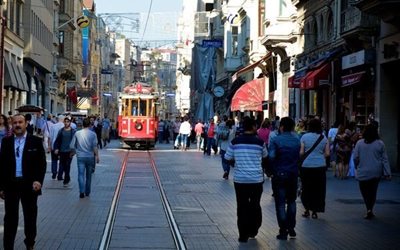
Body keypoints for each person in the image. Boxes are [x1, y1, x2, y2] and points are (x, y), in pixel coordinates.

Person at [0, 114, 46, 250]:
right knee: (10, 219)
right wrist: (1, 187)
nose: (17, 125)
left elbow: (41, 163)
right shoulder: (6, 142)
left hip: (29, 185)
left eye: (20, 122)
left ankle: (30, 242)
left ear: (26, 124)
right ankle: (8, 246)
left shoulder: (36, 141)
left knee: (30, 217)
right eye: (15, 123)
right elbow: (1, 165)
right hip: (11, 185)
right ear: (12, 125)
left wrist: (38, 180)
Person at [224, 117, 268, 243]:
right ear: (254, 127)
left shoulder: (235, 142)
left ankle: (243, 235)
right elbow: (266, 157)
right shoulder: (260, 142)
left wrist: (236, 162)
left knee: (242, 207)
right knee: (255, 205)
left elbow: (227, 158)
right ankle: (253, 230)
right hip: (256, 180)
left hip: (240, 180)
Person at [268, 117, 301, 240]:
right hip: (293, 174)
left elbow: (271, 157)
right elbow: (300, 156)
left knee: (281, 204)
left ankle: (283, 230)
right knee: (292, 201)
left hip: (280, 174)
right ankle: (291, 227)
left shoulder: (276, 140)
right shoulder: (297, 140)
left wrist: (272, 170)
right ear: (293, 127)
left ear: (281, 127)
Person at [353, 124, 391, 219]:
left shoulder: (359, 143)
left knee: (364, 191)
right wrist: (387, 173)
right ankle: (370, 208)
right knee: (373, 191)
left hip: (363, 171)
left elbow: (355, 158)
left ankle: (368, 208)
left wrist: (357, 166)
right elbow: (384, 159)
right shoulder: (380, 143)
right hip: (375, 171)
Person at [299, 118, 330, 219]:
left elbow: (301, 153)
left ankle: (307, 209)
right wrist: (320, 157)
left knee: (306, 188)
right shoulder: (324, 138)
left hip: (306, 166)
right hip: (320, 167)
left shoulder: (304, 137)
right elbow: (327, 153)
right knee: (318, 189)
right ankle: (315, 211)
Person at [70, 118, 99, 198]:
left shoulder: (77, 133)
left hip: (80, 157)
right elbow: (94, 146)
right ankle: (87, 192)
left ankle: (81, 191)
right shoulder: (93, 134)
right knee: (89, 175)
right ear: (90, 125)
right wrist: (97, 156)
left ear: (82, 124)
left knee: (80, 174)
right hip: (90, 157)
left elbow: (72, 145)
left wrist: (74, 152)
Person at [53, 117, 76, 186]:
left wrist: (74, 151)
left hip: (70, 151)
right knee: (63, 165)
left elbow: (75, 142)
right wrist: (56, 148)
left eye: (67, 122)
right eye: (65, 122)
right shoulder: (61, 131)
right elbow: (57, 141)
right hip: (62, 151)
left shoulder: (73, 131)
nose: (66, 123)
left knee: (67, 165)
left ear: (70, 122)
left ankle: (66, 180)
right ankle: (67, 177)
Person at [48, 115, 66, 180]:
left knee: (54, 160)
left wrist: (49, 146)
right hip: (62, 147)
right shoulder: (65, 127)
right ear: (63, 119)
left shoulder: (53, 126)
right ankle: (60, 175)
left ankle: (54, 173)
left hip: (54, 146)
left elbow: (50, 137)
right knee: (62, 161)